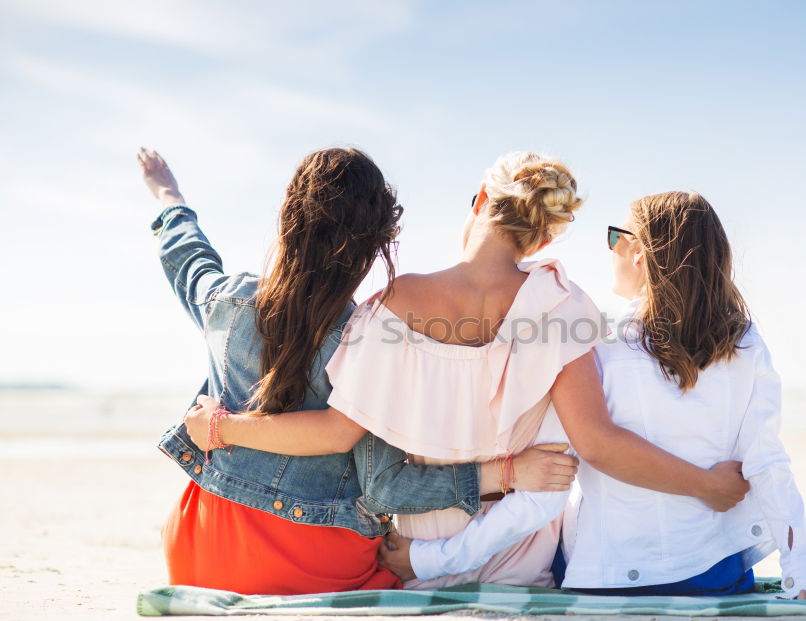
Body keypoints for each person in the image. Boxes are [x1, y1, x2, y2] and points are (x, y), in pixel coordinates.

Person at [185, 152, 750, 589]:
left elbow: (352, 449)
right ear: (548, 233)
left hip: (415, 543)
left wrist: (224, 427)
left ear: (481, 198)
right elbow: (597, 444)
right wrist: (707, 486)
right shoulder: (565, 308)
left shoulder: (395, 303)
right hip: (517, 548)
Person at [138, 147, 578, 595]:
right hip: (319, 564)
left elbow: (188, 258)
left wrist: (169, 198)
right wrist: (505, 474)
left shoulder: (224, 303)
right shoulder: (371, 335)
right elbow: (386, 485)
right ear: (379, 241)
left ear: (287, 217)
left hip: (198, 551)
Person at [379, 192, 806, 605]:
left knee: (553, 494)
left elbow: (546, 492)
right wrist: (805, 575)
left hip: (604, 577)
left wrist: (429, 560)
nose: (609, 252)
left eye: (614, 237)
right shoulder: (744, 342)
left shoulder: (594, 345)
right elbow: (767, 464)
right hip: (714, 576)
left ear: (641, 253)